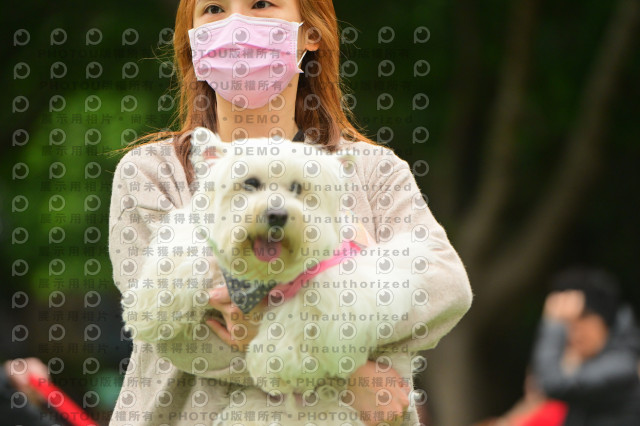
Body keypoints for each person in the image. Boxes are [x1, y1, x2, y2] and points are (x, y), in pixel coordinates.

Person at [107, 0, 473, 425]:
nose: (237, 25)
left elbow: (445, 288)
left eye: (261, 3)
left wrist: (261, 321)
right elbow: (173, 327)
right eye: (214, 9)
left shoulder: (374, 171)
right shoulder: (151, 173)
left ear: (310, 33)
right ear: (191, 40)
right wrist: (349, 372)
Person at [532, 267, 640, 425]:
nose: (573, 332)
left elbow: (553, 385)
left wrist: (553, 324)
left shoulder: (623, 364)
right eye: (567, 323)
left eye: (583, 317)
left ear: (605, 320)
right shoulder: (586, 364)